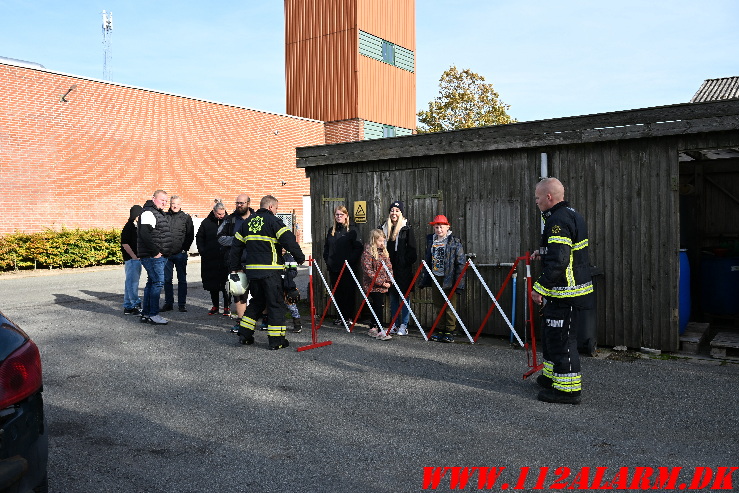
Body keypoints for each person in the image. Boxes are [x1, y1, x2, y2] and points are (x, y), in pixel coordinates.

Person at [531, 177, 594, 405]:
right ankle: (551, 378)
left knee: (562, 340)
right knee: (552, 338)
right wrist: (542, 252)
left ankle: (567, 391)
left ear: (549, 197)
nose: (536, 202)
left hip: (565, 293)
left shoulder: (558, 220)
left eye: (538, 198)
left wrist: (539, 288)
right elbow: (561, 251)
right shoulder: (569, 214)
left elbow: (560, 261)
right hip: (564, 291)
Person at [228, 195, 305, 350]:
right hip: (271, 271)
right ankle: (276, 341)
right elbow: (288, 240)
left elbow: (236, 247)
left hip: (252, 273)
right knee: (275, 305)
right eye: (276, 208)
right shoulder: (273, 222)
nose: (276, 211)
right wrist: (300, 257)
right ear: (270, 207)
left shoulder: (247, 222)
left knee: (257, 302)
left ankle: (244, 334)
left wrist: (235, 266)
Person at [418, 214, 466, 343]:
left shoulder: (454, 242)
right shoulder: (431, 241)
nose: (439, 230)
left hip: (448, 278)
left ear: (447, 227)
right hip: (435, 276)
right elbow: (428, 259)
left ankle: (450, 330)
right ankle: (440, 329)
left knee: (450, 305)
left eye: (441, 227)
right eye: (436, 227)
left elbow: (460, 262)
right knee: (438, 304)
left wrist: (459, 282)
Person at [379, 200, 417, 336]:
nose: (394, 213)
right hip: (388, 270)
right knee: (393, 298)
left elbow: (413, 253)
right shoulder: (383, 228)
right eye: (392, 210)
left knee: (404, 297)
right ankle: (394, 324)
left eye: (397, 210)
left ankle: (404, 325)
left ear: (401, 213)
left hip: (402, 271)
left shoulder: (406, 229)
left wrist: (404, 263)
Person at [218, 194, 254, 332]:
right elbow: (220, 238)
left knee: (260, 292)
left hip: (255, 262)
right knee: (239, 293)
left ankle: (264, 320)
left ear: (248, 203)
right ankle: (241, 322)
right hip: (236, 264)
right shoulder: (230, 220)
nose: (239, 205)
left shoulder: (256, 218)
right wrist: (238, 240)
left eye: (242, 203)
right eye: (237, 203)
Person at [137, 190, 173, 325]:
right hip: (153, 256)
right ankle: (153, 314)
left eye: (165, 200)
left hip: (157, 256)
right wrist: (155, 252)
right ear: (153, 198)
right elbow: (144, 234)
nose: (164, 203)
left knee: (152, 283)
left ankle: (146, 313)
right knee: (158, 282)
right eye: (161, 200)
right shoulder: (148, 213)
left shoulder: (157, 213)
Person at [323, 205, 362, 325]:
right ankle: (340, 317)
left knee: (348, 293)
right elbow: (327, 247)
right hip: (334, 268)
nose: (339, 217)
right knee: (337, 293)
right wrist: (327, 260)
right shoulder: (332, 230)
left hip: (347, 269)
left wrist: (349, 262)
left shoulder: (352, 230)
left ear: (346, 216)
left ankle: (349, 317)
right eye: (337, 215)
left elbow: (358, 248)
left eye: (341, 214)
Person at [196, 202, 231, 316]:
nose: (221, 216)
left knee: (226, 285)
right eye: (219, 214)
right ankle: (215, 306)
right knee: (212, 285)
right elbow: (199, 237)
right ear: (214, 212)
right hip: (210, 259)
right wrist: (203, 251)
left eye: (223, 213)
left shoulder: (229, 222)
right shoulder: (206, 223)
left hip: (225, 258)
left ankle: (226, 307)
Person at [162, 195, 194, 312]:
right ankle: (168, 303)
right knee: (167, 280)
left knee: (182, 280)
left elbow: (190, 235)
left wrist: (184, 249)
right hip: (167, 255)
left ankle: (182, 304)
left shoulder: (186, 218)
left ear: (181, 205)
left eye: (177, 204)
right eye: (173, 204)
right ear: (170, 204)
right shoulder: (164, 216)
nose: (175, 206)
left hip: (180, 254)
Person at [360, 229, 394, 341]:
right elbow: (368, 270)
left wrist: (389, 281)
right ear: (374, 240)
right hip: (372, 285)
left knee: (378, 305)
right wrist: (380, 282)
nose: (382, 243)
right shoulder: (368, 252)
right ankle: (380, 330)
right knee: (378, 305)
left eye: (383, 241)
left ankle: (373, 326)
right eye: (380, 241)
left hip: (383, 284)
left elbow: (389, 267)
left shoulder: (384, 252)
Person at [121, 204, 143, 315]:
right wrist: (134, 256)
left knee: (129, 283)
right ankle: (135, 305)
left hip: (135, 259)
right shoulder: (129, 226)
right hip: (132, 259)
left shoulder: (135, 226)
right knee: (132, 283)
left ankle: (128, 306)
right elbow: (125, 243)